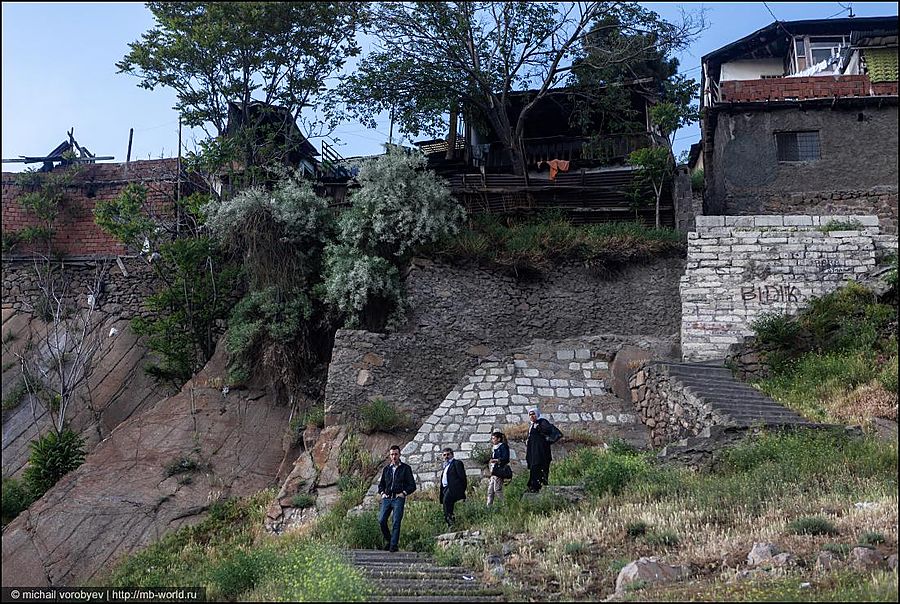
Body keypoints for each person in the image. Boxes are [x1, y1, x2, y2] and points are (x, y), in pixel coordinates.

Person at [377, 445, 417, 552]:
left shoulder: (405, 468)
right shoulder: (386, 469)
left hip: (398, 498)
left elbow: (412, 485)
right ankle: (390, 541)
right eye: (392, 454)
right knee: (381, 520)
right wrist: (382, 493)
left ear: (399, 455)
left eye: (396, 454)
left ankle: (393, 546)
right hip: (387, 498)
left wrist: (404, 493)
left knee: (396, 521)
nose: (394, 456)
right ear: (389, 456)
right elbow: (381, 485)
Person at [438, 447, 467, 527]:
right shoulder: (446, 466)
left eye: (448, 454)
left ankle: (451, 523)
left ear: (452, 455)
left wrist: (461, 489)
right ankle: (451, 523)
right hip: (445, 488)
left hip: (452, 488)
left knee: (446, 502)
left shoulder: (457, 463)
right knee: (447, 505)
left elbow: (462, 477)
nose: (446, 456)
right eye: (444, 455)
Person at [525, 407, 552, 492]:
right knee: (534, 467)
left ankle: (540, 485)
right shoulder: (532, 425)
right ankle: (533, 486)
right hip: (533, 451)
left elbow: (548, 431)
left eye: (533, 414)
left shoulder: (542, 422)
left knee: (540, 467)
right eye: (530, 414)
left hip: (541, 451)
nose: (532, 416)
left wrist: (539, 427)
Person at [487, 431, 510, 506]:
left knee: (497, 489)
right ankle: (489, 506)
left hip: (499, 470)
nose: (492, 440)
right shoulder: (494, 447)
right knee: (490, 490)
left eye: (494, 438)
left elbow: (505, 458)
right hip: (494, 470)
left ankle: (504, 505)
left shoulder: (503, 446)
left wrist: (496, 460)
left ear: (499, 439)